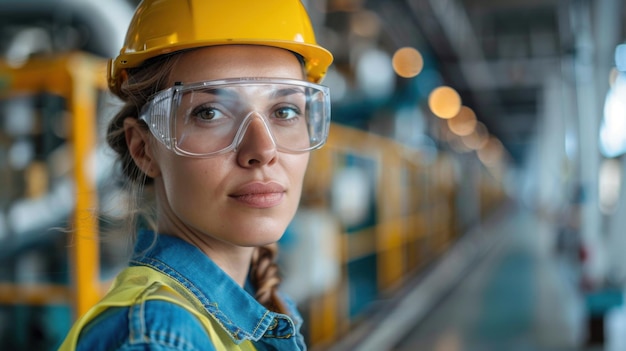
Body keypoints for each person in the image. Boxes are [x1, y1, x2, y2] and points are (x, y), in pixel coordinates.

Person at [59, 0, 333, 350]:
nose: (263, 150)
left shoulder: (249, 306)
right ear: (144, 148)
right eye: (210, 113)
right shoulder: (158, 336)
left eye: (285, 110)